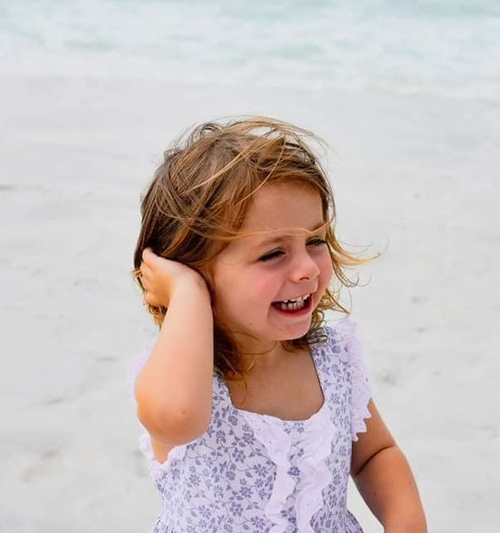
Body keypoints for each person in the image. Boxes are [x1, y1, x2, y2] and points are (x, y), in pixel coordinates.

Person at [131, 117, 427, 532]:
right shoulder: (184, 378)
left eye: (315, 241)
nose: (306, 269)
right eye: (272, 254)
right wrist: (187, 294)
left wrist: (405, 524)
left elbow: (375, 454)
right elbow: (177, 419)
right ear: (192, 270)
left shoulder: (332, 356)